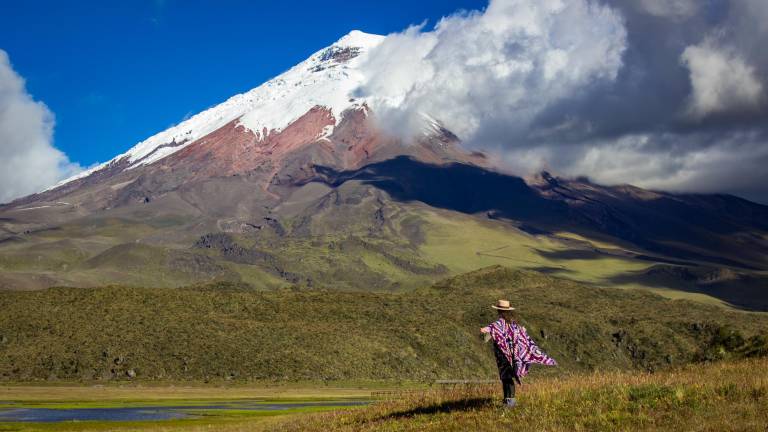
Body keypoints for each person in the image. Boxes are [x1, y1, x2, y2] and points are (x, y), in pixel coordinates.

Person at [480, 299, 557, 408]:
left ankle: (509, 402)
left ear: (499, 311)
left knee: (505, 377)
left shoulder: (499, 323)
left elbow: (491, 328)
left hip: (502, 356)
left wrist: (484, 329)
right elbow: (521, 333)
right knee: (509, 377)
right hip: (513, 355)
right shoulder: (513, 323)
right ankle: (509, 401)